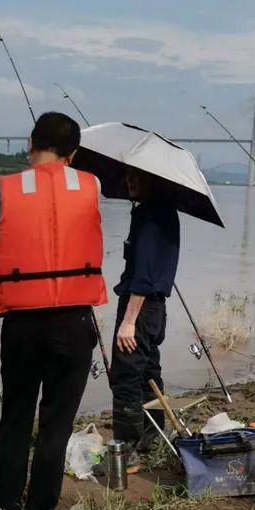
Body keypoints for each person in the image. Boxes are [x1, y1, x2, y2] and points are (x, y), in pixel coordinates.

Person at [0, 112, 107, 510]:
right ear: (74, 152)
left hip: (22, 325)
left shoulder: (0, 190)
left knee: (15, 417)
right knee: (56, 422)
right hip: (74, 323)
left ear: (30, 140)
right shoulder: (92, 186)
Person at [110, 168, 180, 461]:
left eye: (138, 177)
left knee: (126, 374)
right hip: (155, 309)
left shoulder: (151, 216)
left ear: (156, 180)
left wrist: (128, 321)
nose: (130, 181)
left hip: (141, 307)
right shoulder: (161, 211)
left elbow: (145, 275)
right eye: (127, 176)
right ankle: (153, 435)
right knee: (148, 370)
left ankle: (126, 451)